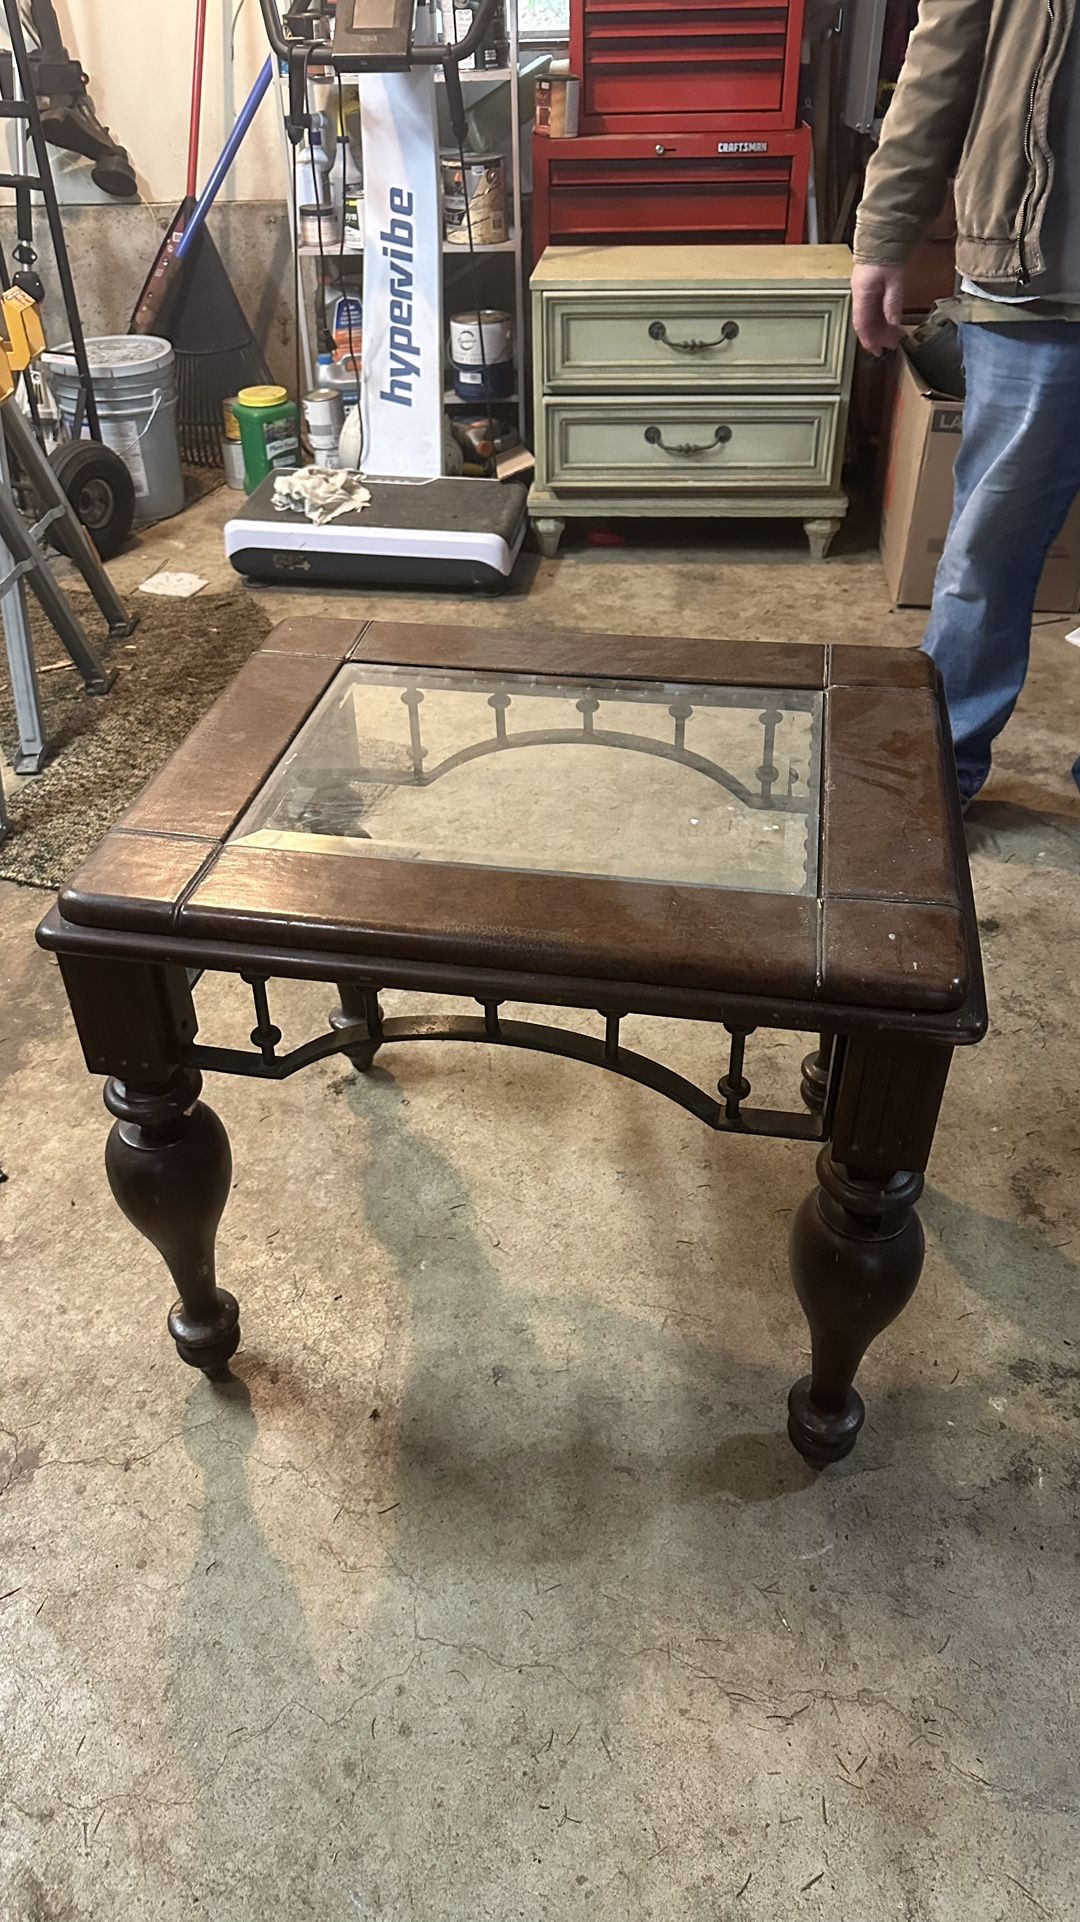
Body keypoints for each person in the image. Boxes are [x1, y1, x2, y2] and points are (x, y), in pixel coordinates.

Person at [851, 0, 1080, 804]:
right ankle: (938, 776)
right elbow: (940, 58)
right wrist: (884, 235)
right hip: (1041, 278)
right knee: (987, 550)